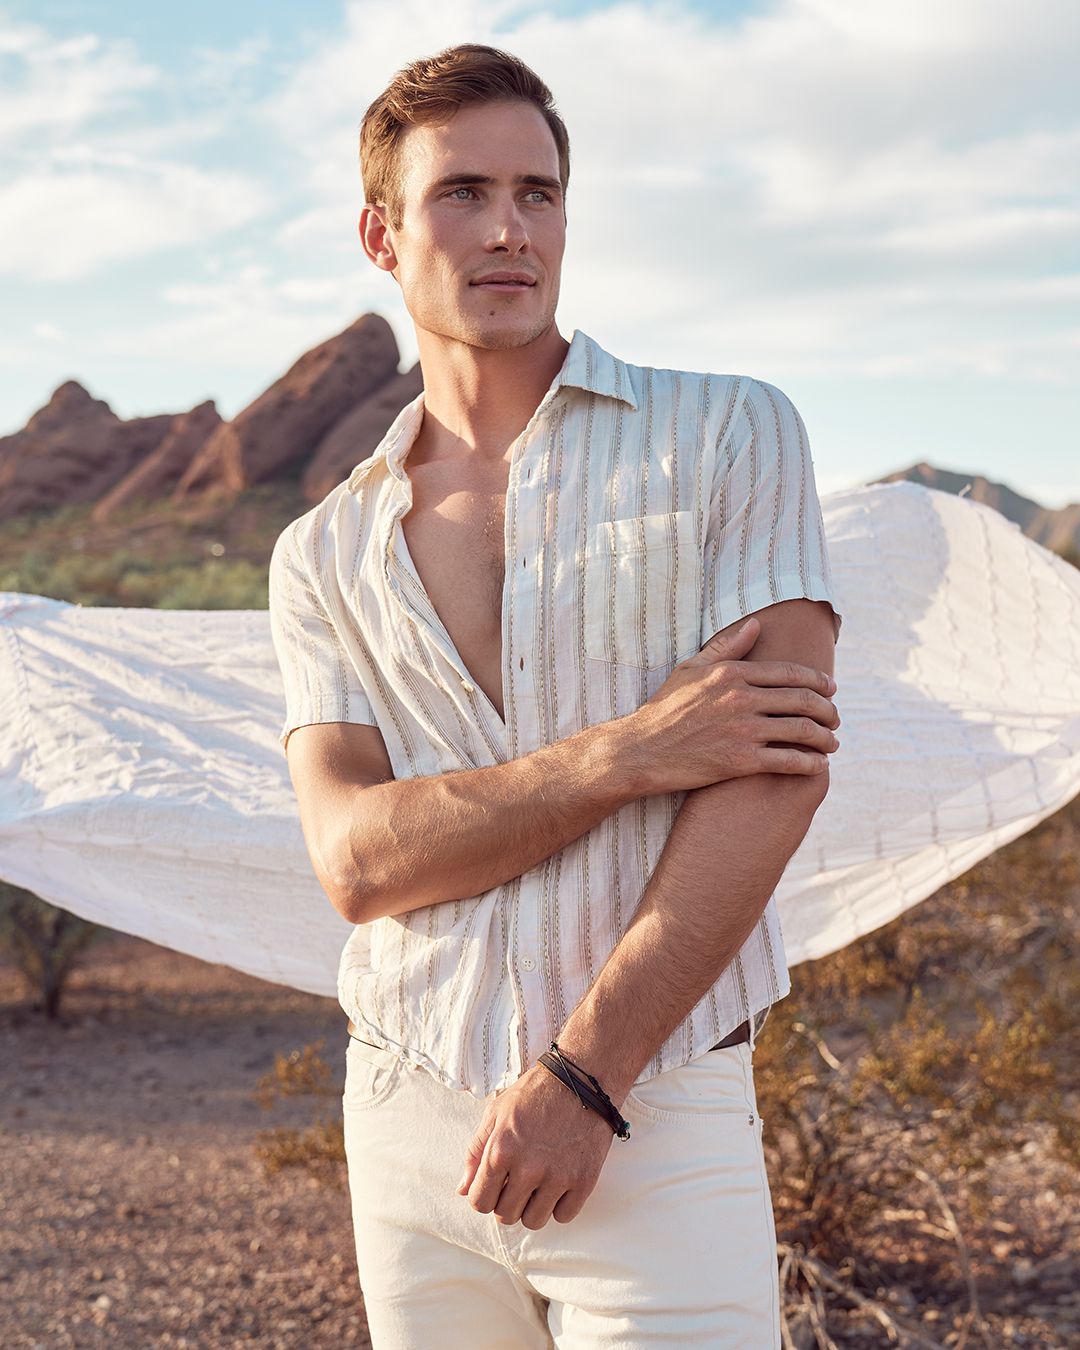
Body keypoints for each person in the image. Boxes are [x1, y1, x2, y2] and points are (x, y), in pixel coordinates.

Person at [268, 42, 842, 1350]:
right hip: (407, 1117)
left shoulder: (730, 432)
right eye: (462, 193)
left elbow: (772, 766)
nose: (510, 228)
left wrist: (587, 1077)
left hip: (655, 1106)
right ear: (381, 234)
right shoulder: (323, 550)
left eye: (538, 191)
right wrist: (630, 751)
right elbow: (355, 861)